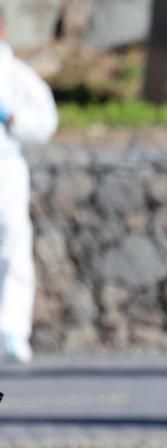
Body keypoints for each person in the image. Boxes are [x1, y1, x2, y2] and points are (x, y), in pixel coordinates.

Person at [0, 9, 58, 363]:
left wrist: (14, 119)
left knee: (14, 245)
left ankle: (13, 329)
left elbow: (46, 122)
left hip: (6, 166)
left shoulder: (17, 76)